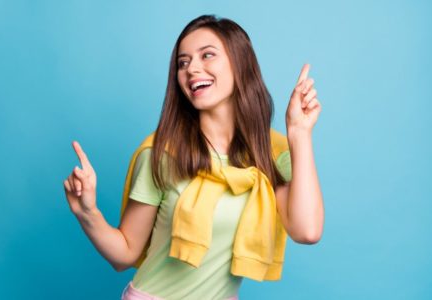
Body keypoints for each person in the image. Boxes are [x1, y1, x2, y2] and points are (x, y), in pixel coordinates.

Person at [63, 15, 324, 300]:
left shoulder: (270, 151)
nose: (192, 69)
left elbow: (306, 231)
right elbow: (124, 254)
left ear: (240, 64)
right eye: (183, 62)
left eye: (207, 55)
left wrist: (299, 133)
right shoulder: (161, 153)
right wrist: (87, 212)